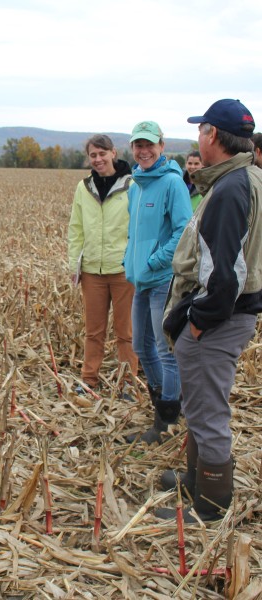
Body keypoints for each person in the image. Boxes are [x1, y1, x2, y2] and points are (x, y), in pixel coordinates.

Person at [156, 99, 262, 522]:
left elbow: (226, 277)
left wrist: (198, 324)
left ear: (212, 135)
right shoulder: (248, 177)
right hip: (232, 316)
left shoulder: (232, 188)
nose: (198, 136)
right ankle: (197, 477)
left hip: (220, 320)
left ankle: (209, 507)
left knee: (208, 411)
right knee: (202, 404)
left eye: (201, 129)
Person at [123, 121, 192, 444]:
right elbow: (134, 233)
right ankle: (161, 405)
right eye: (138, 145)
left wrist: (154, 260)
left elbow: (182, 231)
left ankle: (166, 422)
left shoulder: (172, 183)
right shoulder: (136, 185)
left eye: (149, 145)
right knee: (140, 346)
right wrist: (130, 260)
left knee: (165, 352)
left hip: (162, 279)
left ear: (162, 147)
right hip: (141, 281)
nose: (144, 151)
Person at [67, 134, 138, 391]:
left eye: (102, 153)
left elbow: (139, 228)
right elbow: (76, 228)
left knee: (126, 333)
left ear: (113, 153)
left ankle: (128, 384)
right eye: (93, 155)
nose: (98, 159)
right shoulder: (83, 187)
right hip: (91, 271)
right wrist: (74, 264)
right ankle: (89, 379)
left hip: (122, 271)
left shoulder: (133, 185)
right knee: (93, 331)